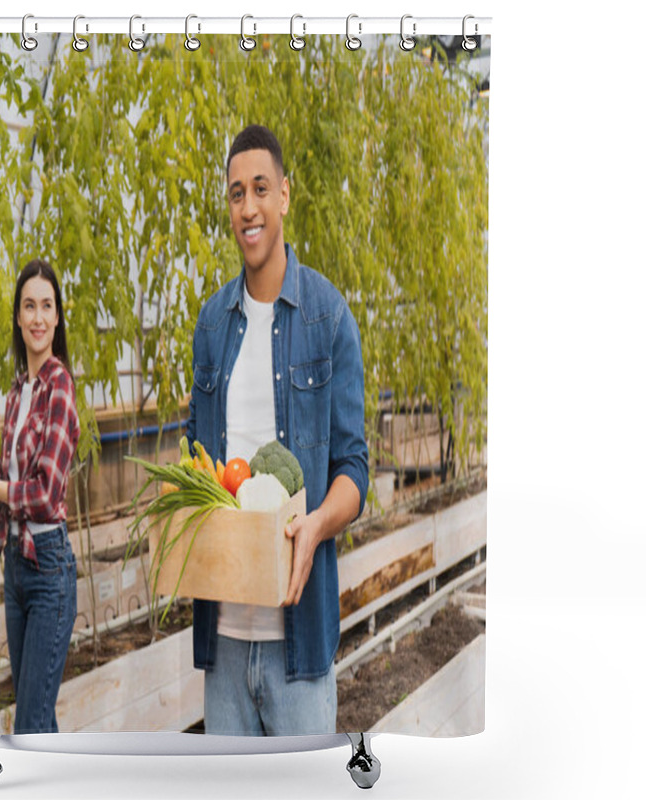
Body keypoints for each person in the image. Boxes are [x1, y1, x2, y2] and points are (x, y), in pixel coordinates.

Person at [187, 125, 369, 735]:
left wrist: (316, 526)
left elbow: (353, 469)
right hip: (226, 641)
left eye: (260, 188)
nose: (248, 207)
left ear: (284, 195)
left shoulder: (328, 316)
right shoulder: (212, 325)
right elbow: (199, 458)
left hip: (300, 650)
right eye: (236, 194)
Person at [0, 259, 79, 735]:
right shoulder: (17, 391)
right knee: (36, 720)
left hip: (49, 571)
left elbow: (45, 496)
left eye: (47, 306)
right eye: (29, 306)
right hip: (17, 569)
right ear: (18, 316)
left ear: (58, 317)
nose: (38, 317)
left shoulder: (59, 386)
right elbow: (6, 499)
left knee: (28, 725)